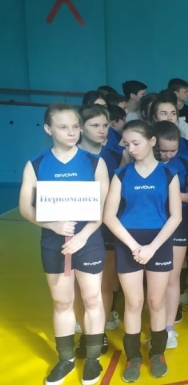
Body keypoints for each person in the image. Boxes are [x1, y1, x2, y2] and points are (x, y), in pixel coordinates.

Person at [19, 103, 109, 385]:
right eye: (63, 127)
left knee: (92, 298)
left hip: (88, 241)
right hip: (53, 242)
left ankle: (92, 359)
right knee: (61, 301)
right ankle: (66, 359)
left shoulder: (95, 163)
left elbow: (102, 209)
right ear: (48, 129)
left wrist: (83, 235)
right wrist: (52, 225)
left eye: (75, 126)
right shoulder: (36, 164)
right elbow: (25, 207)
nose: (71, 132)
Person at [103, 120, 182, 381]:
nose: (131, 148)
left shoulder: (169, 174)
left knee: (156, 301)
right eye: (127, 144)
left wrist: (152, 248)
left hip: (159, 241)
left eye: (136, 143)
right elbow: (109, 216)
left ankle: (157, 352)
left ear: (152, 141)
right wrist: (135, 246)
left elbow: (176, 216)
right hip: (129, 242)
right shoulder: (121, 174)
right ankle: (133, 357)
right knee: (134, 302)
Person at [73, 105, 123, 358]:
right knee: (77, 285)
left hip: (108, 226)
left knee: (105, 283)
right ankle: (85, 330)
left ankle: (98, 332)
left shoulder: (115, 155)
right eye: (95, 125)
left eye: (105, 125)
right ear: (81, 128)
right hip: (77, 228)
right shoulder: (70, 156)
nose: (102, 130)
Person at [153, 121, 188, 345]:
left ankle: (169, 328)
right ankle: (155, 325)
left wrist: (175, 196)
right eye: (162, 150)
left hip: (177, 224)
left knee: (172, 278)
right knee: (154, 280)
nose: (167, 155)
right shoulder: (144, 162)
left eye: (172, 150)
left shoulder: (184, 162)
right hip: (150, 224)